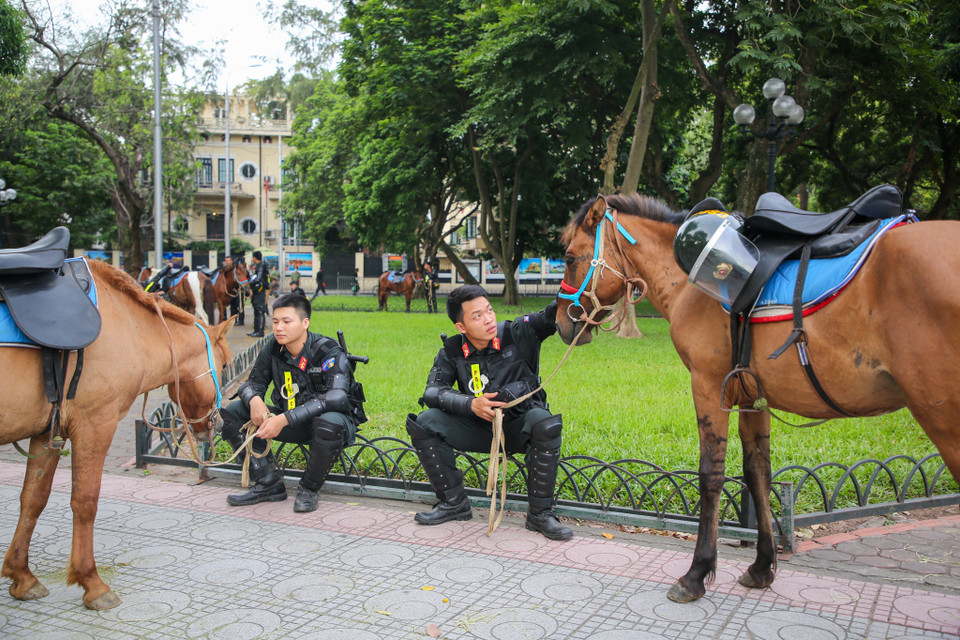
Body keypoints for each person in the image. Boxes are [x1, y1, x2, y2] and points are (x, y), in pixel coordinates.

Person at [405, 284, 572, 540]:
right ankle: (453, 503)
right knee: (425, 421)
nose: (488, 319)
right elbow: (433, 392)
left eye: (489, 310)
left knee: (544, 422)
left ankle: (540, 515)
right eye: (477, 316)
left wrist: (572, 290)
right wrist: (470, 404)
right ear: (461, 326)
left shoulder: (518, 332)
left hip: (518, 427)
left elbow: (551, 314)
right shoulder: (452, 350)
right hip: (478, 428)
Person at [219, 293, 367, 512]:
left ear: (305, 323)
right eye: (275, 322)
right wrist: (254, 399)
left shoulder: (328, 351)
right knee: (233, 411)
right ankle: (268, 483)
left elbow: (336, 398)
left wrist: (284, 419)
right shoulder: (274, 348)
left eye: (286, 321)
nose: (279, 328)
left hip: (326, 426)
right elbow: (252, 383)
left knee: (329, 422)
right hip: (289, 421)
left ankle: (309, 489)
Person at [246, 251, 270, 338]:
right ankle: (256, 330)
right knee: (256, 310)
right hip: (257, 291)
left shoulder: (261, 265)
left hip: (260, 291)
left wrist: (250, 283)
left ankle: (260, 331)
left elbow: (258, 278)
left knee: (260, 310)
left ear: (254, 258)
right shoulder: (259, 265)